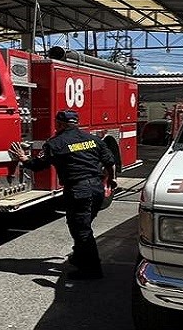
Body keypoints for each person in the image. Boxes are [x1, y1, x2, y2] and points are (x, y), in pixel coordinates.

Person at [8, 110, 116, 280]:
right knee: (83, 226)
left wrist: (23, 158)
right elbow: (110, 163)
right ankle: (80, 257)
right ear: (76, 123)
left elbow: (37, 165)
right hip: (97, 189)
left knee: (82, 230)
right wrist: (111, 181)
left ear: (59, 124)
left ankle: (92, 270)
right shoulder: (94, 140)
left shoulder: (55, 143)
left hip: (79, 190)